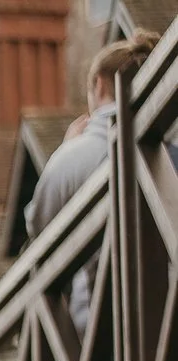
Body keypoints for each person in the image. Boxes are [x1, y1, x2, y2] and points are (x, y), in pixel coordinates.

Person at [28, 33, 161, 240]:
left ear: (98, 85)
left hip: (98, 271)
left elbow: (37, 227)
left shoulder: (71, 155)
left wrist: (66, 148)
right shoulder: (166, 139)